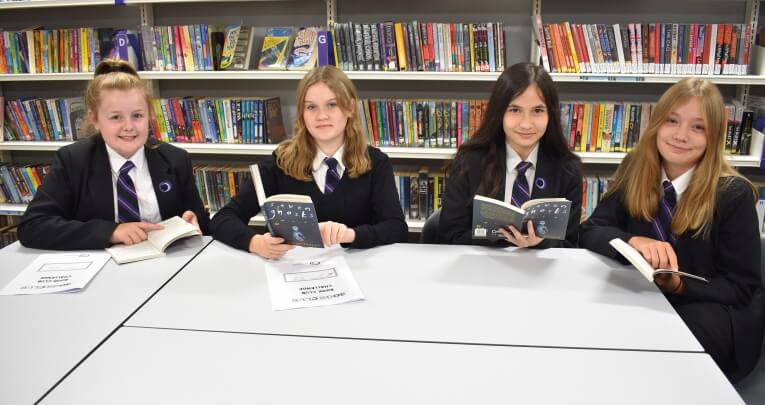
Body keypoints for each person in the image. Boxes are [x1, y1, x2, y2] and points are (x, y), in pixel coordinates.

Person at [579, 78, 763, 382]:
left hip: (711, 312)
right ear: (656, 123)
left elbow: (742, 288)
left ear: (714, 136)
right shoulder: (636, 167)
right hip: (647, 303)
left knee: (648, 343)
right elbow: (591, 231)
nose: (681, 135)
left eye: (698, 127)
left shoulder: (733, 194)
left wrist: (680, 286)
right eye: (672, 121)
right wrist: (632, 240)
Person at [211, 65, 408, 259]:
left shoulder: (376, 163)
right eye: (311, 107)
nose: (321, 116)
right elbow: (223, 219)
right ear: (302, 114)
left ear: (349, 108)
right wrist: (255, 243)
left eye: (332, 104)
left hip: (357, 271)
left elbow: (396, 228)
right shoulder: (280, 162)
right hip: (290, 272)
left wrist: (351, 235)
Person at [18, 59, 210, 250]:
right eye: (116, 117)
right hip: (99, 265)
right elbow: (32, 226)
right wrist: (110, 232)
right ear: (95, 119)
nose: (129, 127)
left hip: (165, 266)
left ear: (149, 115)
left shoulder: (175, 159)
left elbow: (200, 219)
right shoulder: (73, 160)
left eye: (137, 115)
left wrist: (194, 220)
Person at [439, 62, 582, 248]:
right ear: (500, 113)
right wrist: (502, 237)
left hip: (540, 272)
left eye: (538, 111)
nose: (526, 124)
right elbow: (449, 236)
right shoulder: (469, 161)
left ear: (551, 115)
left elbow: (571, 244)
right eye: (515, 110)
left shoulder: (567, 170)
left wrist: (541, 242)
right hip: (482, 269)